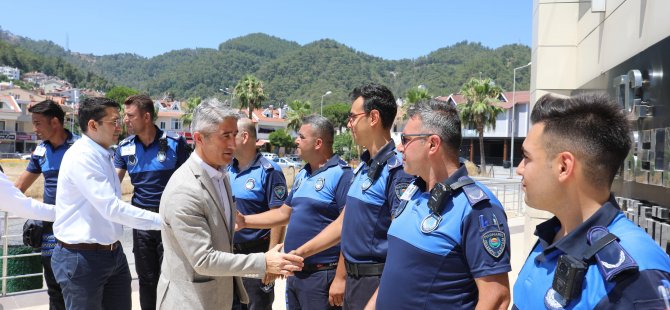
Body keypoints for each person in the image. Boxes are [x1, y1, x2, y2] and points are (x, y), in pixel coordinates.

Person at [512, 93, 670, 309]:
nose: (519, 169)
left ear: (564, 167)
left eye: (527, 157)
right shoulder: (553, 235)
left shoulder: (636, 275)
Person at [157, 99, 303, 310]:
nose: (232, 144)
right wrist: (264, 262)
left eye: (234, 135)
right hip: (191, 302)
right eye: (225, 136)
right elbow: (204, 259)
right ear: (199, 138)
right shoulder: (185, 189)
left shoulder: (221, 175)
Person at [371, 99, 511, 309]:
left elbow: (497, 298)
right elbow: (395, 271)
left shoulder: (478, 208)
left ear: (433, 144)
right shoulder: (412, 192)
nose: (399, 147)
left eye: (406, 139)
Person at [290, 83, 414, 308]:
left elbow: (403, 244)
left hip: (377, 282)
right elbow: (344, 223)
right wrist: (300, 253)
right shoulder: (364, 167)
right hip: (355, 281)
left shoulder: (397, 171)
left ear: (373, 117)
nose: (349, 124)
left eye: (353, 117)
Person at [51, 97, 163, 310]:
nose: (120, 127)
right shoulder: (82, 156)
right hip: (82, 259)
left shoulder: (104, 154)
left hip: (112, 255)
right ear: (93, 125)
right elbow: (111, 208)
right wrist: (164, 222)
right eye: (114, 122)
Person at [237, 115, 354, 309]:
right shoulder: (303, 174)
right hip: (295, 273)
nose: (296, 140)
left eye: (301, 137)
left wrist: (340, 278)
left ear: (318, 143)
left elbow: (348, 228)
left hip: (322, 276)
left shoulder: (342, 175)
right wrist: (245, 221)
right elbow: (284, 214)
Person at [114, 94, 191, 310]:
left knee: (175, 278)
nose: (125, 120)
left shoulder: (176, 144)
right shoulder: (124, 147)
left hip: (171, 222)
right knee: (147, 281)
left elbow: (190, 182)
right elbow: (111, 185)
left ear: (146, 117)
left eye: (130, 115)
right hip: (141, 224)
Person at [14, 100, 77, 310]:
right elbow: (19, 187)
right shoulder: (41, 152)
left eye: (38, 123)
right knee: (54, 289)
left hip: (78, 230)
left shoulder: (80, 149)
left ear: (55, 122)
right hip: (50, 231)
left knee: (78, 290)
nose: (35, 129)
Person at [227, 117, 287, 310]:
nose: (228, 140)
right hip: (229, 255)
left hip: (257, 255)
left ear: (244, 136)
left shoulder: (269, 171)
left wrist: (270, 257)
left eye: (232, 135)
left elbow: (278, 217)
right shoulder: (226, 169)